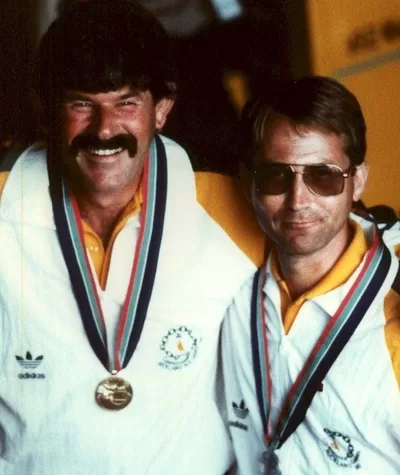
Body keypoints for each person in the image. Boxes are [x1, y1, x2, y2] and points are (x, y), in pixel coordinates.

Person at [0, 1, 265, 473]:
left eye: (127, 103)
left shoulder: (231, 209)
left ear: (161, 109)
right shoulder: (4, 197)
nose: (105, 129)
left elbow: (331, 247)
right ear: (46, 110)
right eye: (81, 103)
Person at [222, 76, 400, 474]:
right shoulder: (225, 274)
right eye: (275, 176)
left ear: (358, 181)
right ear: (249, 182)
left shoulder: (391, 316)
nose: (298, 201)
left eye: (323, 176)